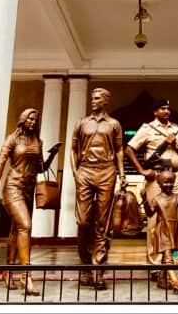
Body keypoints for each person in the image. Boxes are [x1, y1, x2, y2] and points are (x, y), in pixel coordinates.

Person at [125, 99, 178, 281]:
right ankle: (157, 265)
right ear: (155, 112)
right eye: (162, 108)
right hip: (157, 177)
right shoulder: (147, 128)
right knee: (155, 221)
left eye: (168, 108)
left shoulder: (177, 129)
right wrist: (142, 170)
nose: (166, 111)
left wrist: (176, 145)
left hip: (176, 176)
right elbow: (129, 149)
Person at [0, 108, 51, 296]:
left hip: (29, 189)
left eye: (36, 119)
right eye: (30, 118)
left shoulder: (38, 140)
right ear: (23, 119)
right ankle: (26, 275)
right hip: (13, 186)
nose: (33, 122)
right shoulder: (12, 139)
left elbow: (40, 168)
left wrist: (52, 154)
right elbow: (1, 161)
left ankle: (8, 269)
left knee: (16, 229)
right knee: (25, 226)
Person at [69, 87, 125, 289]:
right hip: (85, 170)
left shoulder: (114, 124)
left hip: (107, 171)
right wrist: (75, 172)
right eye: (92, 97)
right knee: (83, 221)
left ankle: (97, 269)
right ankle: (85, 263)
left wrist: (122, 173)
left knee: (103, 222)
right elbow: (73, 149)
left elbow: (119, 150)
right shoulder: (81, 123)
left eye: (97, 98)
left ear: (106, 100)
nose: (93, 100)